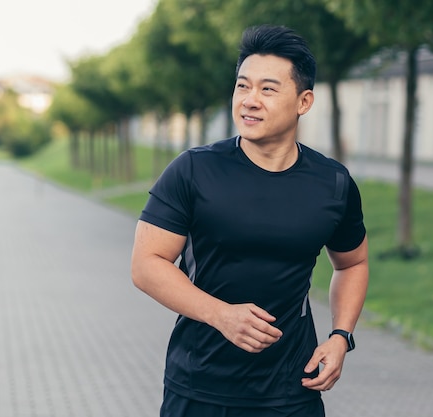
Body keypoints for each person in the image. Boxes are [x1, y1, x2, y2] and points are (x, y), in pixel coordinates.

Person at [131, 24, 369, 417]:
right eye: (243, 86)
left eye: (268, 89)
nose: (249, 100)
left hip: (292, 389)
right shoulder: (193, 170)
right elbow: (146, 265)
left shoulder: (334, 183)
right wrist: (221, 314)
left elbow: (353, 263)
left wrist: (341, 336)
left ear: (303, 101)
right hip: (200, 386)